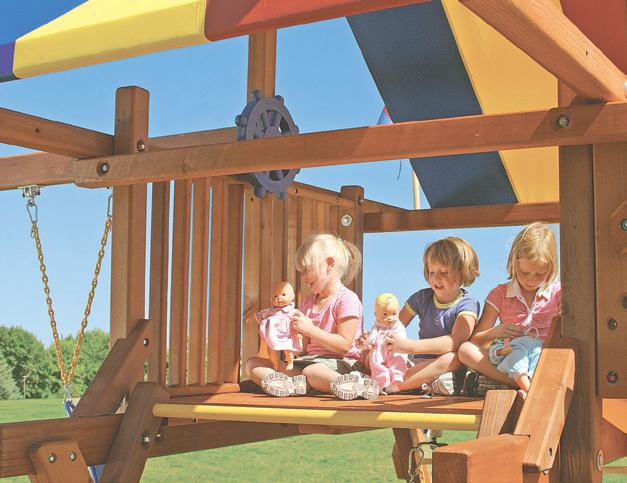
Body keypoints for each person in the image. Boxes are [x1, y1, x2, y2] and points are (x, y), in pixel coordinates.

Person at [245, 234, 379, 400]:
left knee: (312, 372)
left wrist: (311, 329)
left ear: (329, 264)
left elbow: (344, 345)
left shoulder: (347, 299)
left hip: (342, 364)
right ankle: (286, 385)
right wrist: (277, 333)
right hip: (309, 363)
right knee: (253, 364)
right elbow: (303, 350)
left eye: (306, 270)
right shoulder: (307, 303)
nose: (302, 278)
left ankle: (355, 385)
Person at [458, 222, 561, 398]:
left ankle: (515, 383)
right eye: (525, 272)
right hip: (510, 357)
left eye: (539, 274)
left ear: (551, 268)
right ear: (513, 263)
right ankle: (521, 383)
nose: (531, 280)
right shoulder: (500, 294)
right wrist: (496, 332)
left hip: (542, 359)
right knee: (465, 350)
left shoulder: (558, 292)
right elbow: (476, 341)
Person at [376, 237, 480, 395]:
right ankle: (411, 383)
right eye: (432, 272)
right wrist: (375, 339)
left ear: (462, 272)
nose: (436, 278)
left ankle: (395, 386)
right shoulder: (421, 298)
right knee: (381, 353)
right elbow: (393, 325)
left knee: (454, 358)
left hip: (445, 365)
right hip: (418, 363)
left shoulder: (468, 304)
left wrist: (411, 346)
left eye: (444, 272)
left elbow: (456, 341)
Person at [358, 293, 408, 394]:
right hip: (379, 352)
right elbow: (370, 340)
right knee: (377, 365)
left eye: (393, 314)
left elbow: (402, 339)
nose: (390, 318)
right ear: (376, 315)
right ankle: (379, 385)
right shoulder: (376, 328)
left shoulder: (398, 326)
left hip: (394, 351)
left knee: (398, 362)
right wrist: (365, 343)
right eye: (385, 315)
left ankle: (396, 380)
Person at [254, 281, 301, 371]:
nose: (279, 298)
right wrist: (259, 319)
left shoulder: (292, 311)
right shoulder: (271, 310)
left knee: (287, 350)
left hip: (287, 334)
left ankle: (290, 362)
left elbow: (299, 320)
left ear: (292, 296)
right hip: (273, 335)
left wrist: (298, 332)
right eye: (275, 296)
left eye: (283, 295)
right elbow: (262, 316)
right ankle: (274, 365)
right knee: (271, 350)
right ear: (271, 298)